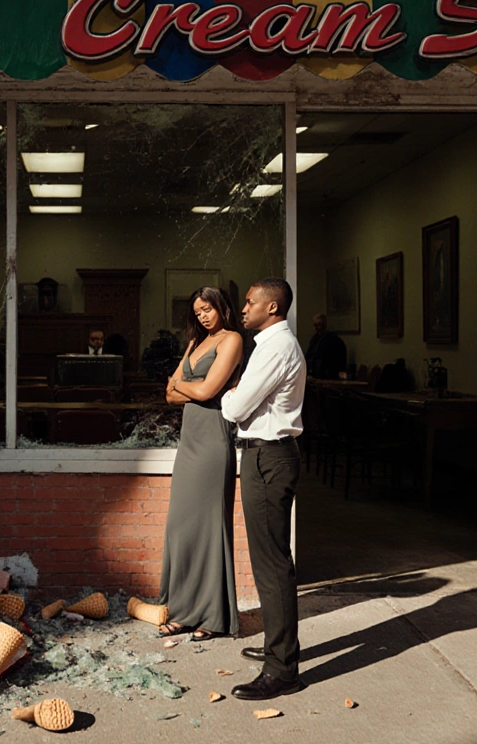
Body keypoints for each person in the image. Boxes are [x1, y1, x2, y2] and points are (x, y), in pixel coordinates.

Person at [220, 277, 308, 701]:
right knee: (269, 561)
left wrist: (230, 397)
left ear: (272, 308)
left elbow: (235, 407)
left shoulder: (274, 348)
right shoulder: (271, 345)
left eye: (250, 302)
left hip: (269, 457)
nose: (243, 308)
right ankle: (280, 647)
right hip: (264, 455)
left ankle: (282, 670)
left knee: (273, 565)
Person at [158, 286, 245, 642]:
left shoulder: (233, 340)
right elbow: (168, 393)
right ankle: (182, 611)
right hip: (189, 442)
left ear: (222, 307)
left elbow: (208, 392)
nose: (203, 316)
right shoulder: (195, 344)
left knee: (210, 527)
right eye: (197, 311)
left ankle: (211, 615)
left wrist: (184, 383)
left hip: (212, 441)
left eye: (208, 308)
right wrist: (188, 384)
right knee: (181, 527)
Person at [304, 313, 347, 379]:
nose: (316, 327)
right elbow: (309, 354)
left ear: (324, 324)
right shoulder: (315, 338)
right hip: (315, 372)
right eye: (315, 325)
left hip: (326, 373)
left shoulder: (332, 339)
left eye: (318, 325)